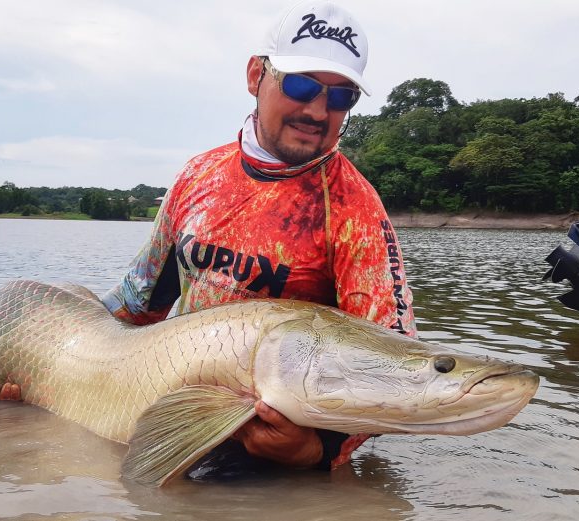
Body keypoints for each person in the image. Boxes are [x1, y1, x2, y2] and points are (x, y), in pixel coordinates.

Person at [99, 0, 418, 473]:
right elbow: (137, 303)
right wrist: (53, 365)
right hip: (165, 412)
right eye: (301, 84)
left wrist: (319, 451)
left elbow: (397, 369)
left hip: (257, 446)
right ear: (255, 75)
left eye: (340, 97)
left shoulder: (355, 209)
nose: (317, 109)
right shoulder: (198, 174)